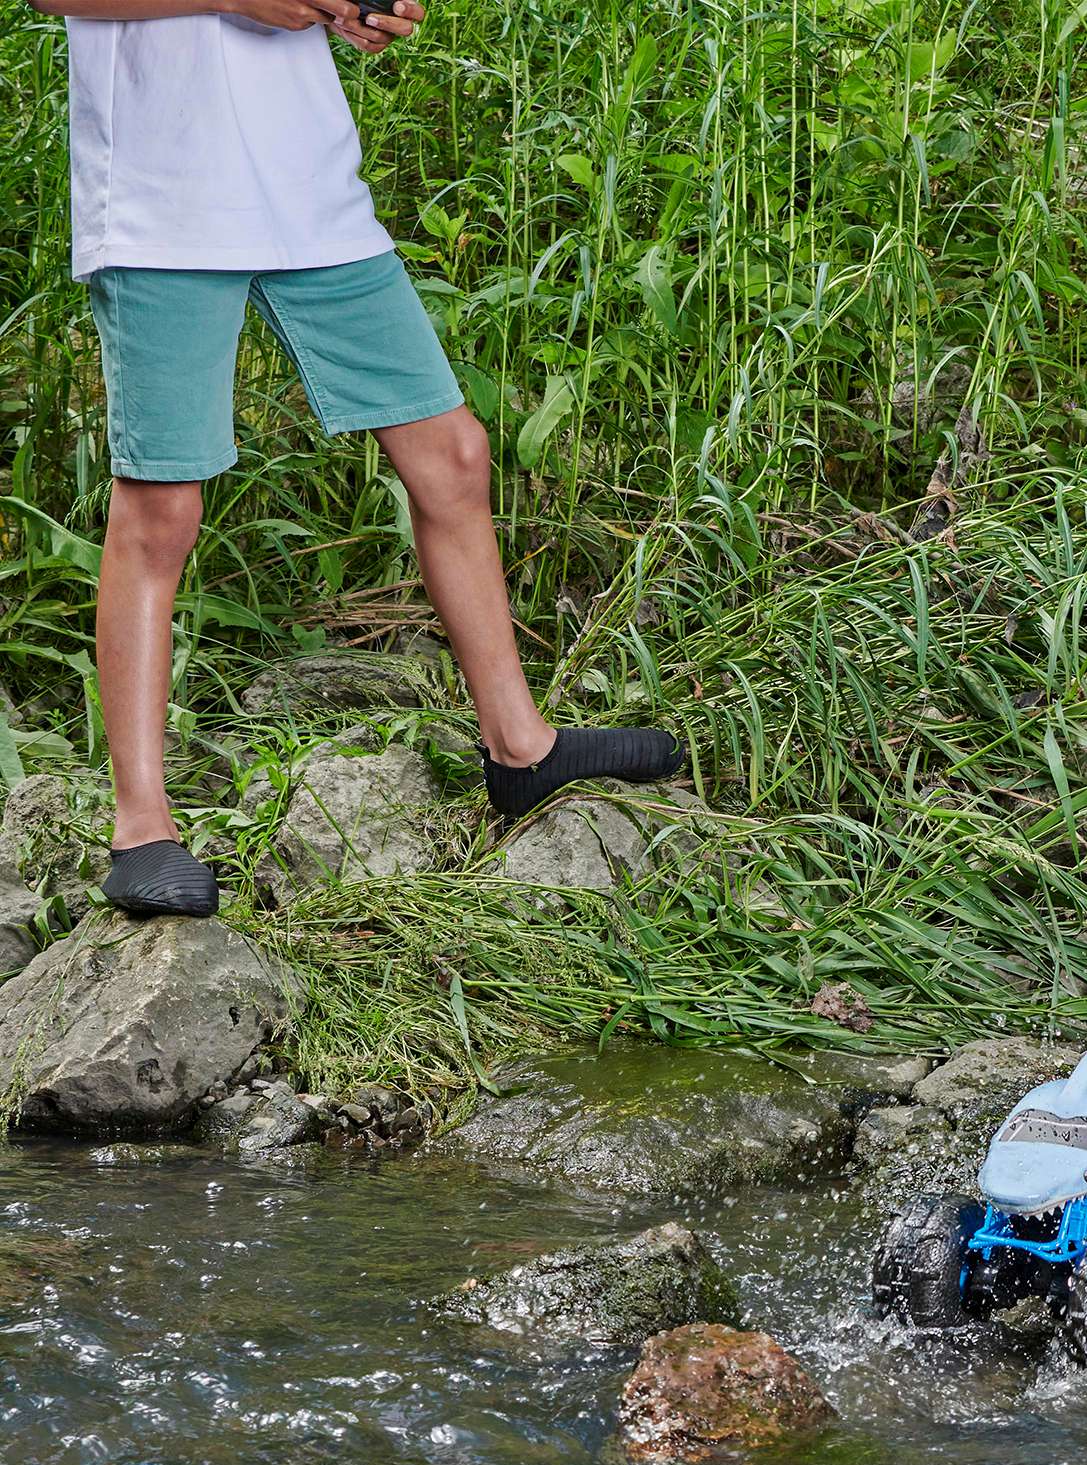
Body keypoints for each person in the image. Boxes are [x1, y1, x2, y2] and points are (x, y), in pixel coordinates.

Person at [31, 0, 684, 918]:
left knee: (452, 454)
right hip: (161, 204)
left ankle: (521, 748)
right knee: (162, 507)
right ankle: (141, 827)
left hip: (311, 194)